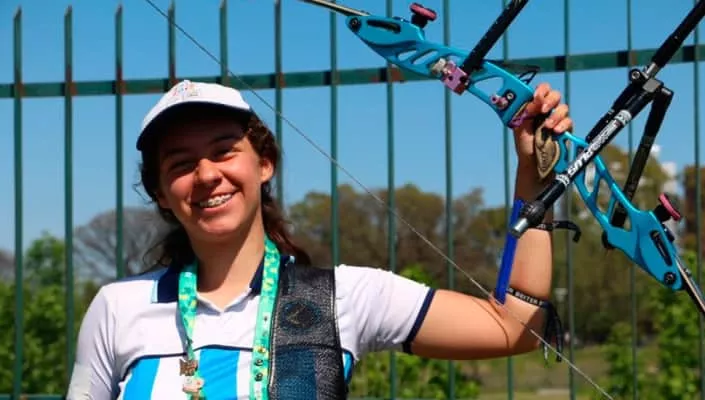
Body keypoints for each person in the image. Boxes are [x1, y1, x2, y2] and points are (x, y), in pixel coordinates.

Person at [66, 78, 573, 399]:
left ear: (264, 164)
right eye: (180, 164)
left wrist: (533, 177)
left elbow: (513, 328)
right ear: (160, 192)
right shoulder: (118, 307)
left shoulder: (346, 296)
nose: (206, 175)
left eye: (224, 151)